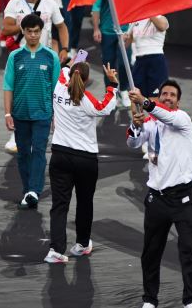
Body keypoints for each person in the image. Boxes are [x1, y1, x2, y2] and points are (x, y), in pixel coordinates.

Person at [127, 80, 192, 308]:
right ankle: (149, 300)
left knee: (188, 250)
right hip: (157, 199)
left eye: (172, 95)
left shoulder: (182, 119)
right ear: (160, 98)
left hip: (184, 200)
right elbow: (132, 142)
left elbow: (166, 116)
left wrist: (145, 103)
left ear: (178, 101)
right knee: (151, 252)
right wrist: (136, 124)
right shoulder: (152, 123)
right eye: (164, 94)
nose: (168, 97)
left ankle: (190, 301)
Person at [44, 61, 119, 263]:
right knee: (85, 203)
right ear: (86, 80)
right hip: (85, 159)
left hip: (60, 156)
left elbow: (63, 70)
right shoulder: (87, 100)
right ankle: (82, 245)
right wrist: (112, 84)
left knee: (59, 205)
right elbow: (106, 107)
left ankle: (56, 251)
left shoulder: (59, 87)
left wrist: (70, 62)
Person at [2, 0, 69, 153]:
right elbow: (6, 29)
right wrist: (26, 24)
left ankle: (51, 128)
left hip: (45, 54)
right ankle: (15, 133)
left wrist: (65, 48)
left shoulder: (50, 3)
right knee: (19, 91)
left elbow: (61, 26)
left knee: (50, 90)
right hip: (21, 54)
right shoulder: (14, 4)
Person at [3, 13, 61, 209]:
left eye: (37, 31)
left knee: (38, 151)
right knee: (22, 155)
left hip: (43, 113)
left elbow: (56, 88)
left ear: (41, 31)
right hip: (20, 113)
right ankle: (28, 190)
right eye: (30, 31)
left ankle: (34, 191)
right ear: (23, 32)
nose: (33, 35)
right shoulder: (15, 56)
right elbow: (8, 85)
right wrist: (7, 113)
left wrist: (56, 115)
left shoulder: (51, 56)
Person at [92, 0, 132, 107]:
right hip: (107, 32)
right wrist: (96, 29)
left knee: (125, 63)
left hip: (124, 32)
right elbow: (96, 8)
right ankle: (111, 94)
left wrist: (131, 31)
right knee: (108, 64)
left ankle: (124, 90)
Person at [128, 16, 169, 101]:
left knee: (154, 100)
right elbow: (126, 45)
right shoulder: (134, 22)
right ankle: (138, 114)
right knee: (135, 98)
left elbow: (162, 27)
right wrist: (123, 39)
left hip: (156, 60)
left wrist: (150, 13)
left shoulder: (161, 18)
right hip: (139, 61)